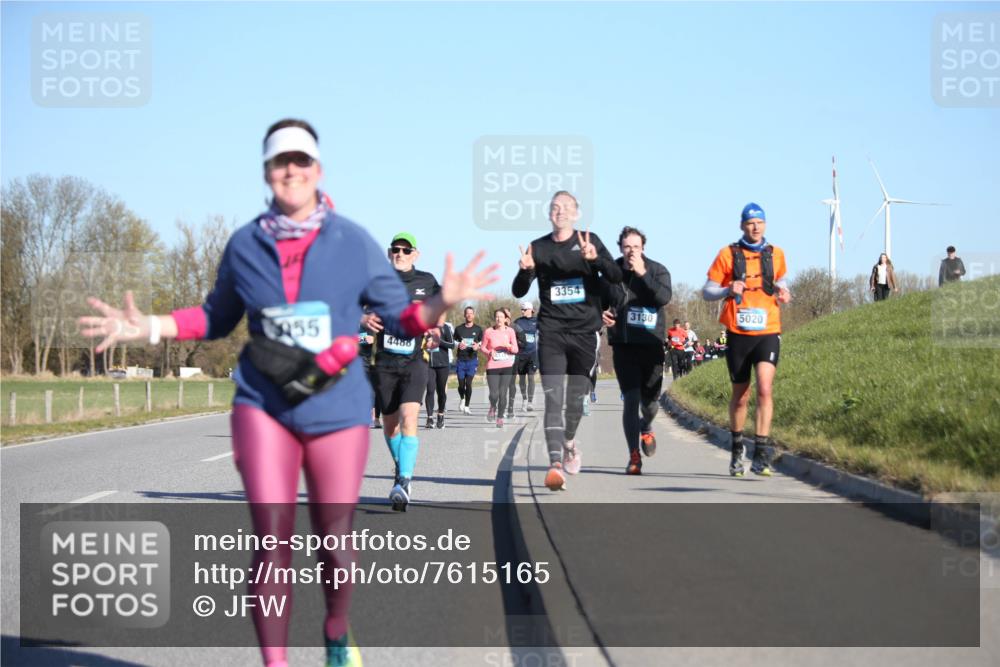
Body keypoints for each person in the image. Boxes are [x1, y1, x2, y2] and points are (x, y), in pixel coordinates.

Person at [77, 119, 498, 667]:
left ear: (317, 170)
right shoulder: (245, 244)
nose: (291, 170)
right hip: (264, 405)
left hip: (337, 407)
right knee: (271, 540)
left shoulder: (353, 242)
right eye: (280, 161)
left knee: (334, 541)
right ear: (266, 172)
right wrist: (151, 326)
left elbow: (402, 318)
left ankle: (336, 630)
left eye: (301, 160)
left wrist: (441, 303)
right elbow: (215, 317)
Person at [512, 190, 622, 491]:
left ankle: (570, 442)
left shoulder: (589, 240)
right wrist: (525, 271)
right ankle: (555, 465)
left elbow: (615, 276)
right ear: (549, 213)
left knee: (575, 399)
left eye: (566, 207)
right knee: (553, 397)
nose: (560, 211)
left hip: (584, 333)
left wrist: (596, 260)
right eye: (555, 207)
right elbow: (519, 291)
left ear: (576, 213)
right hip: (551, 331)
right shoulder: (538, 247)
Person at [702, 202, 791, 478]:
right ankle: (737, 447)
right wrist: (728, 289)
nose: (755, 227)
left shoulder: (776, 253)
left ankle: (761, 454)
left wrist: (784, 292)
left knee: (765, 388)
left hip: (768, 330)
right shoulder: (728, 254)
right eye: (750, 223)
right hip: (739, 333)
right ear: (742, 225)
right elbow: (707, 291)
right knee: (741, 396)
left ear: (765, 225)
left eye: (759, 222)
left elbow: (782, 282)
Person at [363, 232, 442, 512]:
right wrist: (362, 317)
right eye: (395, 249)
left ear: (415, 254)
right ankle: (402, 467)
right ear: (389, 253)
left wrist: (436, 328)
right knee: (390, 425)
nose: (400, 254)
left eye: (406, 250)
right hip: (384, 363)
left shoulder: (427, 281)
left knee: (409, 417)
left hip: (415, 361)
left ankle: (404, 481)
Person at [601, 226, 672, 475]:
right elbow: (596, 300)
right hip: (624, 345)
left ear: (643, 248)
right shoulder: (611, 273)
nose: (631, 251)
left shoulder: (658, 270)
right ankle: (634, 456)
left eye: (636, 247)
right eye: (627, 247)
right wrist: (601, 313)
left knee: (650, 403)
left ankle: (647, 426)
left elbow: (663, 298)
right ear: (620, 248)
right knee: (630, 399)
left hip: (651, 344)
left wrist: (642, 273)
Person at [481, 307, 519, 428]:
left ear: (505, 319)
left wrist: (509, 346)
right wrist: (489, 352)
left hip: (507, 366)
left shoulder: (510, 331)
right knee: (494, 394)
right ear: (494, 318)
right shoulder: (488, 331)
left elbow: (516, 349)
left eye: (501, 317)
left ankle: (500, 417)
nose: (499, 319)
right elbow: (482, 347)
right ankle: (493, 406)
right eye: (497, 317)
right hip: (492, 366)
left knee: (503, 394)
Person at [423, 316, 455, 428]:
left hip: (443, 364)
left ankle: (440, 415)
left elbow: (452, 345)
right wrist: (425, 344)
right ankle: (429, 418)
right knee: (430, 390)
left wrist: (439, 341)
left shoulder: (445, 327)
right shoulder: (424, 326)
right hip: (428, 364)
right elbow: (418, 344)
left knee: (441, 392)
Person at [453, 306, 484, 414]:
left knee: (469, 383)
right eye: (467, 313)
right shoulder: (458, 329)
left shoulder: (478, 329)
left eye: (471, 313)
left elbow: (482, 342)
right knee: (461, 385)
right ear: (464, 315)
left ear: (474, 315)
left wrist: (478, 346)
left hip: (472, 360)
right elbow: (453, 341)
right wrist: (458, 344)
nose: (469, 315)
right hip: (461, 360)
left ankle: (467, 406)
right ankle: (462, 398)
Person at [511, 301, 539, 413]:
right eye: (521, 309)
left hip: (533, 354)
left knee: (531, 377)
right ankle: (524, 399)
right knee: (522, 379)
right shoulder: (518, 322)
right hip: (521, 354)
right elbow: (512, 336)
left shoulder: (537, 321)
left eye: (524, 309)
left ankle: (530, 403)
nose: (522, 311)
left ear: (531, 310)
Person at [358, 307, 379, 428]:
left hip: (375, 359)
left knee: (375, 389)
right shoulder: (360, 324)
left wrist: (374, 339)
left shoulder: (379, 323)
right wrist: (362, 339)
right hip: (361, 359)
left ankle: (374, 415)